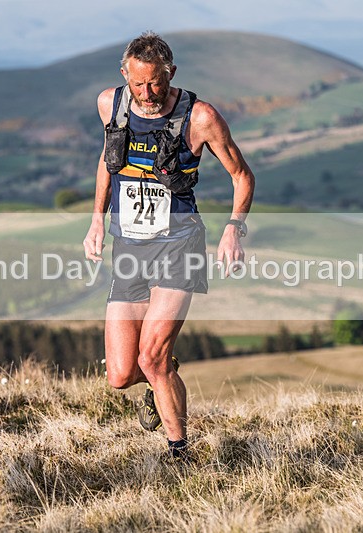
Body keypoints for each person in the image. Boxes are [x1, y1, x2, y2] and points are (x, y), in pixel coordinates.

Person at [82, 31, 255, 460]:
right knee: (122, 374)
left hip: (180, 244)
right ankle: (164, 375)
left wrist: (235, 227)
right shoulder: (111, 104)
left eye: (156, 82)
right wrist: (96, 220)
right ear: (125, 75)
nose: (147, 94)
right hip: (130, 249)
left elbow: (242, 176)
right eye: (138, 84)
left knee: (152, 356)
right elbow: (108, 162)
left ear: (171, 73)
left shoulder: (200, 117)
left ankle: (179, 453)